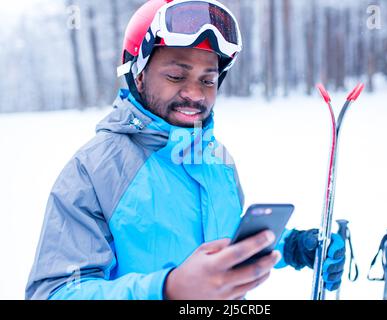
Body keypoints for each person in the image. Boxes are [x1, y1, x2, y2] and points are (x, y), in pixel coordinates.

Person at [25, 0, 345, 300]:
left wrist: (294, 246)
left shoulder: (218, 160)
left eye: (208, 80)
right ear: (138, 74)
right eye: (176, 75)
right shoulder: (93, 169)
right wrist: (168, 288)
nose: (194, 93)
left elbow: (226, 239)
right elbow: (55, 290)